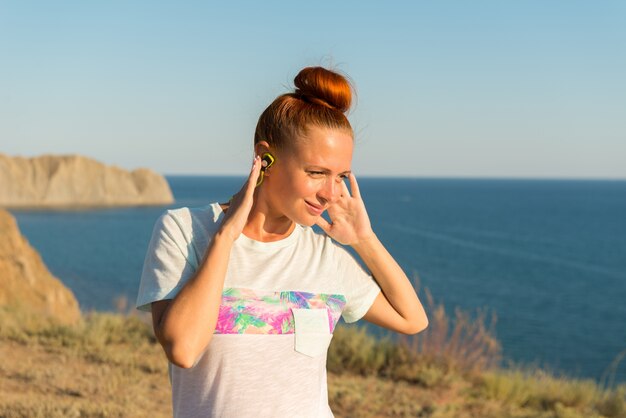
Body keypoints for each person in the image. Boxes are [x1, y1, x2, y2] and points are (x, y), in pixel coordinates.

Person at [135, 66, 428, 417]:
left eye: (342, 177)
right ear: (265, 158)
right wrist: (226, 236)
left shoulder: (324, 257)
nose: (330, 193)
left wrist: (364, 240)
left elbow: (412, 320)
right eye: (316, 172)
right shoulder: (185, 231)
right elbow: (183, 349)